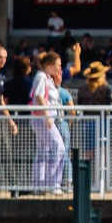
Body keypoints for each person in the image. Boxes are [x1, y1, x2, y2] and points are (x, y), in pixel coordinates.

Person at [29, 50, 69, 192]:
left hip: (44, 117)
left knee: (43, 150)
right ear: (50, 65)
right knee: (59, 147)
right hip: (43, 117)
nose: (60, 68)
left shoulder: (47, 78)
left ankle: (38, 184)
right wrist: (46, 115)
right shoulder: (41, 76)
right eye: (58, 65)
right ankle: (53, 183)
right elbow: (39, 96)